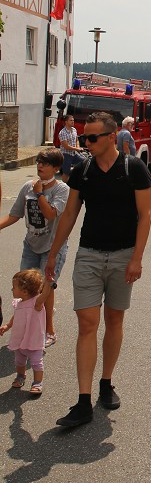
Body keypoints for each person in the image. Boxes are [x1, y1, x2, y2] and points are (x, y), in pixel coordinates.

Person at [45, 110, 151, 429]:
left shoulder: (134, 169)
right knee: (87, 323)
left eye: (91, 137)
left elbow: (145, 216)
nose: (85, 142)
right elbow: (69, 216)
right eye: (83, 137)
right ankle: (83, 401)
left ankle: (106, 382)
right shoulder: (82, 171)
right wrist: (52, 255)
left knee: (114, 320)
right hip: (89, 255)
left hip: (123, 256)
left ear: (111, 136)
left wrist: (137, 258)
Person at [0, 147, 69, 346]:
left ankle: (50, 331)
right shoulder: (27, 187)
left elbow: (50, 215)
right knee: (26, 287)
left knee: (46, 287)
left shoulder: (61, 189)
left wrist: (40, 195)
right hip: (31, 244)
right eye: (39, 162)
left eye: (45, 163)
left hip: (53, 247)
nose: (39, 165)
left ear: (56, 168)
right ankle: (23, 325)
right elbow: (15, 215)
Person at [0, 269, 54, 394]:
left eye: (14, 287)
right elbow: (17, 316)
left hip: (33, 340)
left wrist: (47, 282)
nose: (12, 290)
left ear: (24, 291)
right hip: (19, 339)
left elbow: (45, 294)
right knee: (19, 361)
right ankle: (20, 376)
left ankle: (37, 383)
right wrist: (8, 325)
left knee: (36, 363)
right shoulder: (19, 303)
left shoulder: (36, 303)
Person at [59, 113, 83, 181]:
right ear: (66, 122)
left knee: (84, 163)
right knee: (66, 173)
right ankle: (64, 187)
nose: (73, 122)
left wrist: (78, 147)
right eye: (71, 120)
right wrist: (76, 148)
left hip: (74, 154)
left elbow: (76, 140)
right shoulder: (62, 133)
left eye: (73, 120)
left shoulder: (74, 130)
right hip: (66, 155)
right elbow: (66, 146)